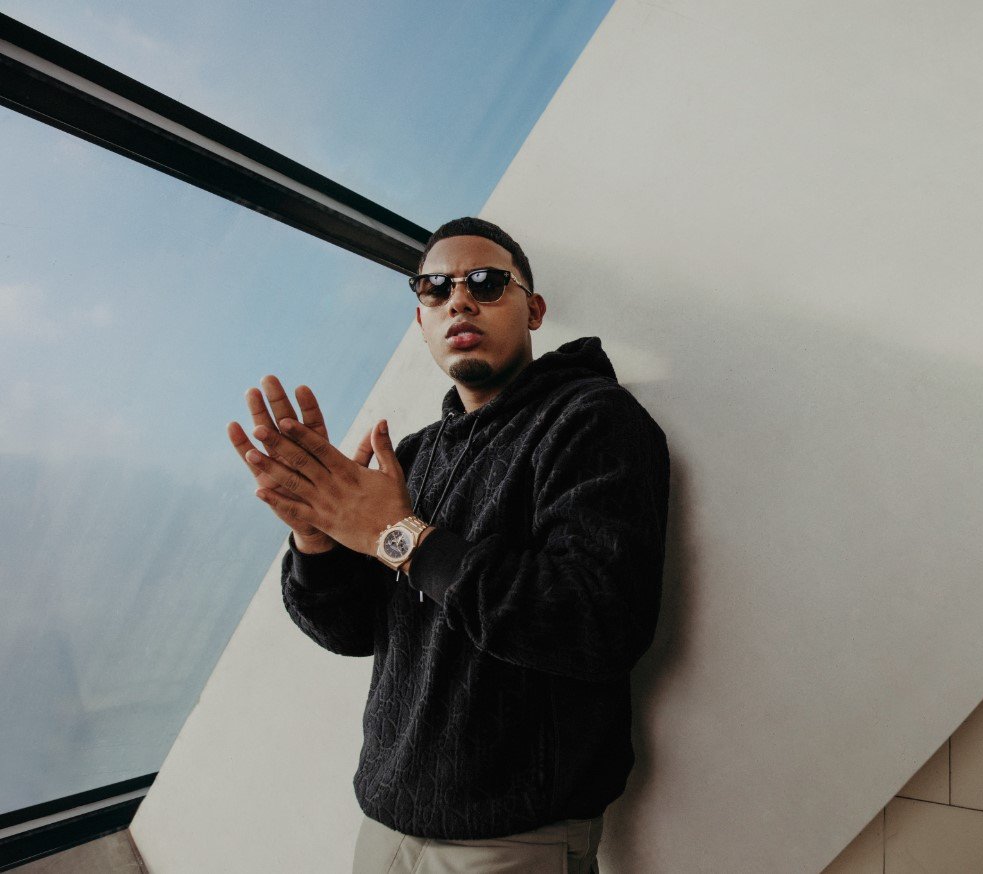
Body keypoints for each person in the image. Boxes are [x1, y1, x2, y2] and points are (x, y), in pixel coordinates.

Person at [226, 216, 671, 873]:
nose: (458, 300)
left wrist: (401, 537)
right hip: (387, 819)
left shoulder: (592, 420)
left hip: (512, 836)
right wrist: (316, 535)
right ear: (421, 320)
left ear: (533, 310)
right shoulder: (412, 456)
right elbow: (351, 630)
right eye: (434, 288)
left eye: (485, 282)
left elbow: (596, 623)